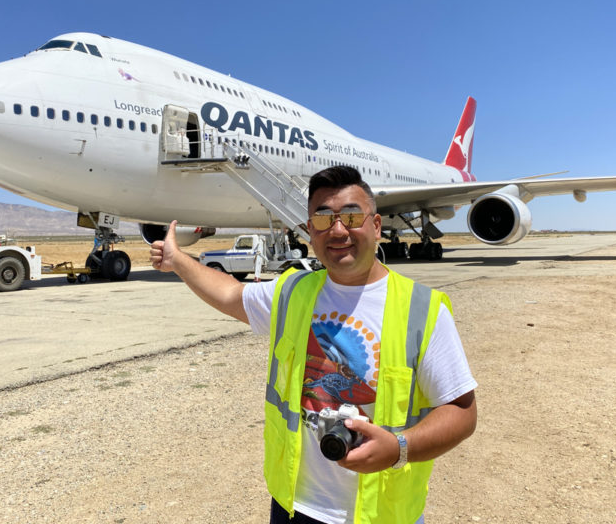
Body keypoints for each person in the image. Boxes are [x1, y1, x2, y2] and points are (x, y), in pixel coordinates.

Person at [150, 165, 477, 524]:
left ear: (377, 226)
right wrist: (178, 260)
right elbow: (230, 293)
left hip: (382, 514)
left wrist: (399, 448)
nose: (338, 230)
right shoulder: (293, 291)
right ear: (309, 232)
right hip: (295, 506)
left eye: (351, 216)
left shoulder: (423, 309)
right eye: (322, 219)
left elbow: (462, 412)